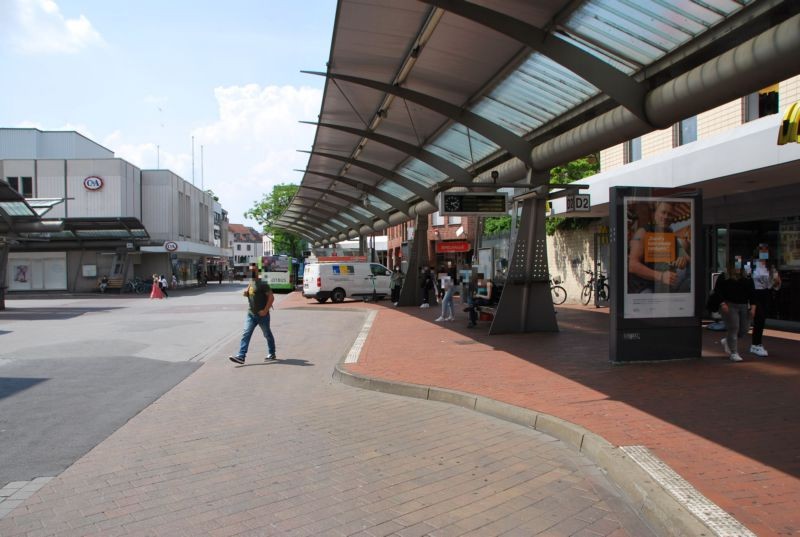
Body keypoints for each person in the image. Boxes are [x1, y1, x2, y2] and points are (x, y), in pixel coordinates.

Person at [628, 201, 691, 293]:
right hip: (643, 288)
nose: (666, 217)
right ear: (655, 214)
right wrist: (661, 276)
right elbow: (632, 266)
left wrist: (683, 257)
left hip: (663, 286)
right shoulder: (643, 232)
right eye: (663, 212)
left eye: (669, 214)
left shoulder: (670, 233)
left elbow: (685, 255)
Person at [229, 264, 276, 364]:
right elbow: (252, 294)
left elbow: (271, 298)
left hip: (262, 316)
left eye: (253, 271)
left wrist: (265, 310)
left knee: (267, 334)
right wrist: (246, 294)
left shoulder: (263, 283)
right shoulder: (251, 282)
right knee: (246, 333)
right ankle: (241, 356)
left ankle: (272, 353)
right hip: (251, 314)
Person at [713, 260, 756, 362]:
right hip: (730, 305)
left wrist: (753, 307)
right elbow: (717, 291)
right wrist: (722, 303)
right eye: (736, 266)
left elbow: (752, 293)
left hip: (744, 305)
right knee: (734, 328)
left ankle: (727, 341)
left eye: (739, 266)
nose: (738, 269)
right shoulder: (724, 277)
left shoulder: (747, 278)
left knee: (744, 329)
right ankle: (734, 353)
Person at [750, 260, 781, 357]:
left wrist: (777, 282)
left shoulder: (771, 267)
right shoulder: (751, 265)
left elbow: (776, 284)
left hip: (766, 294)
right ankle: (755, 344)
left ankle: (756, 344)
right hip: (754, 293)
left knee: (761, 320)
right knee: (757, 318)